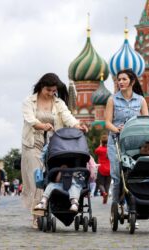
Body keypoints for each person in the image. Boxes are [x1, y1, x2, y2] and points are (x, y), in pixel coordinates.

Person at [21, 73, 87, 228]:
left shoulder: (58, 102)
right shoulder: (28, 101)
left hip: (54, 145)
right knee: (36, 178)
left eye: (53, 91)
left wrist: (78, 126)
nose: (51, 93)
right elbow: (30, 119)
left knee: (52, 176)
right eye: (48, 90)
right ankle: (37, 214)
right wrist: (42, 125)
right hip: (33, 143)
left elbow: (67, 117)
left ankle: (50, 207)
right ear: (41, 86)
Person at [105, 68, 149, 205]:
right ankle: (116, 205)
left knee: (132, 174)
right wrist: (117, 129)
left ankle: (133, 207)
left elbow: (146, 120)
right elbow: (107, 123)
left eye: (124, 79)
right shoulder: (112, 99)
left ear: (132, 81)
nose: (121, 82)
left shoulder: (140, 100)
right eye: (119, 79)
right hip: (116, 142)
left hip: (134, 143)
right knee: (117, 175)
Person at [94, 134, 111, 204]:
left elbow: (96, 151)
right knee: (107, 185)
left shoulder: (99, 150)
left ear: (102, 142)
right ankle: (105, 200)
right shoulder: (110, 150)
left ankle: (103, 192)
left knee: (100, 183)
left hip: (101, 169)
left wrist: (100, 144)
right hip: (109, 169)